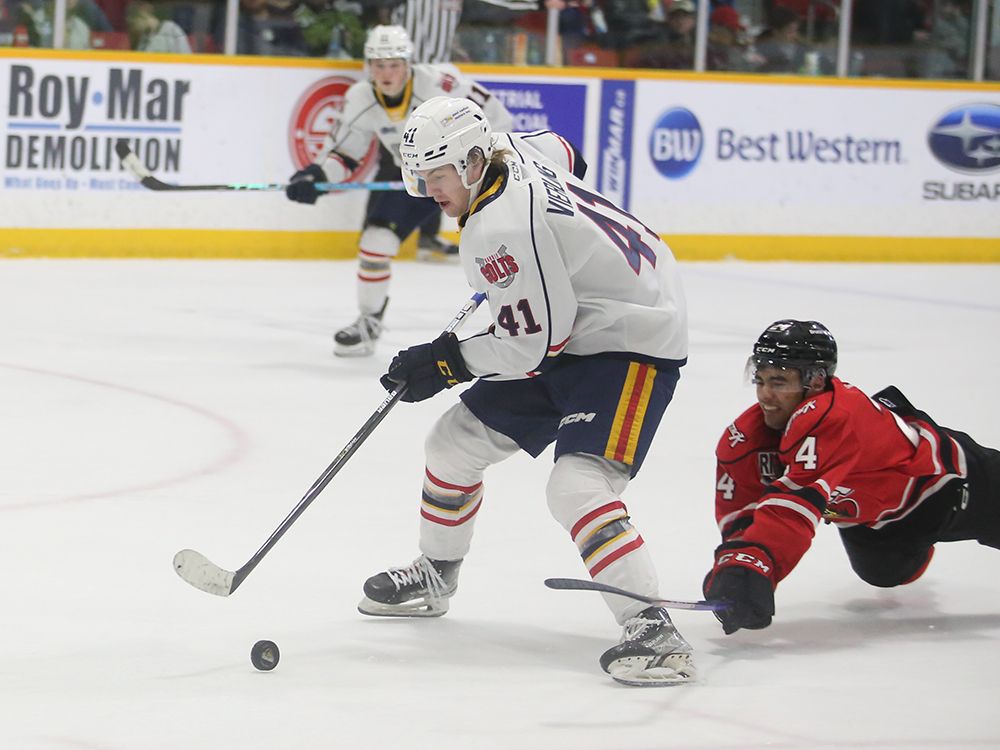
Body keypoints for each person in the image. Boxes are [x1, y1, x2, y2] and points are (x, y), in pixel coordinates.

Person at [358, 96, 694, 687]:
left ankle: (653, 629)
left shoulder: (501, 227)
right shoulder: (512, 147)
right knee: (453, 442)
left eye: (437, 175)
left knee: (576, 485)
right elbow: (569, 153)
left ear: (468, 161)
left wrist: (444, 362)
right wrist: (563, 249)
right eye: (422, 175)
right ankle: (438, 573)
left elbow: (535, 347)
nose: (429, 188)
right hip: (583, 322)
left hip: (633, 335)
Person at [703, 320, 1000, 636]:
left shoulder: (836, 415)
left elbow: (791, 507)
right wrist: (735, 567)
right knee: (885, 573)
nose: (766, 395)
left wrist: (756, 567)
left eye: (779, 382)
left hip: (956, 487)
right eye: (760, 380)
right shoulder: (747, 439)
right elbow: (742, 511)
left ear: (816, 380)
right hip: (875, 521)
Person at [285, 25, 513, 357]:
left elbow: (497, 119)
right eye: (379, 65)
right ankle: (368, 323)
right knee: (376, 242)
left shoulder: (439, 85)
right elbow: (346, 153)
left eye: (394, 64)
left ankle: (513, 311)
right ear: (368, 66)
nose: (386, 73)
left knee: (491, 240)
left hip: (456, 167)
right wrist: (316, 176)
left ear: (408, 64)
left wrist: (480, 165)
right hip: (406, 169)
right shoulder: (361, 98)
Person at [126, 0, 191, 53]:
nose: (134, 23)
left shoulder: (171, 29)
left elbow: (187, 61)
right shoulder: (142, 37)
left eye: (138, 18)